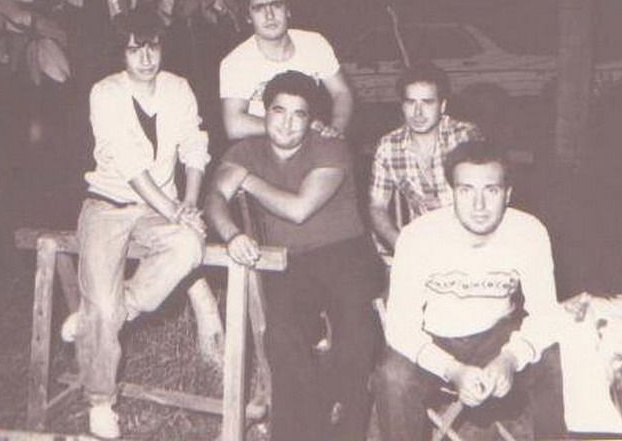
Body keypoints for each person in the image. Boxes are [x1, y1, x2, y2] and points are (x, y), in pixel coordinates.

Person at [205, 70, 382, 441]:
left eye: (298, 114)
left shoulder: (330, 146)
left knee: (357, 333)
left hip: (344, 254)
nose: (286, 123)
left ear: (311, 119)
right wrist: (232, 233)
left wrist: (248, 180)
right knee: (282, 337)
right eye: (278, 111)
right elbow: (215, 196)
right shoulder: (245, 151)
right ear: (264, 112)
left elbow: (299, 209)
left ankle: (345, 433)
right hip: (288, 261)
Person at [61, 8, 210, 439]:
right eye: (133, 49)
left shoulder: (178, 88)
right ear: (121, 53)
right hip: (107, 206)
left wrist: (189, 204)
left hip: (159, 209)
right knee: (101, 304)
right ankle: (100, 401)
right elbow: (128, 164)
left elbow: (194, 146)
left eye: (152, 46)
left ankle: (112, 310)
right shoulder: (105, 93)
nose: (145, 58)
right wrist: (175, 211)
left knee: (189, 246)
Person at [374, 140, 560, 441]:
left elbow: (546, 315)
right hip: (435, 338)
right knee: (392, 377)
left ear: (508, 194)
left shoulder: (529, 231)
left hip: (497, 336)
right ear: (452, 193)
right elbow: (401, 327)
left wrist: (510, 359)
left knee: (556, 358)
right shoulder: (418, 236)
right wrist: (452, 370)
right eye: (466, 190)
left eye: (491, 190)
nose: (479, 205)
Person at [219, 0, 354, 140]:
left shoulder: (314, 43)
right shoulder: (236, 62)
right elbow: (234, 126)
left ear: (287, 10)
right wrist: (296, 126)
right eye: (259, 8)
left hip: (309, 141)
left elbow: (341, 92)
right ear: (248, 17)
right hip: (261, 143)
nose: (269, 15)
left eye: (276, 5)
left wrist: (336, 128)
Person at [369, 62, 481, 249]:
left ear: (442, 106)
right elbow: (377, 206)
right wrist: (402, 246)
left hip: (469, 238)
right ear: (402, 106)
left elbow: (482, 196)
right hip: (422, 242)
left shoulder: (464, 136)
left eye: (427, 102)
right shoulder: (388, 146)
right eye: (410, 102)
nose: (418, 112)